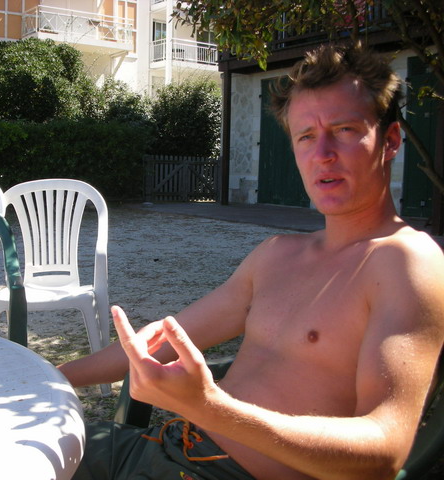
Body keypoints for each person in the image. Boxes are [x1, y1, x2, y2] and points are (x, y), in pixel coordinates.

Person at [59, 43, 444, 480]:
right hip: (162, 447)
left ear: (389, 141)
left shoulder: (406, 264)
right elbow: (158, 342)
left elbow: (384, 452)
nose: (322, 153)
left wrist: (210, 408)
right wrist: (51, 376)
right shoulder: (278, 254)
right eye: (305, 136)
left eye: (344, 129)